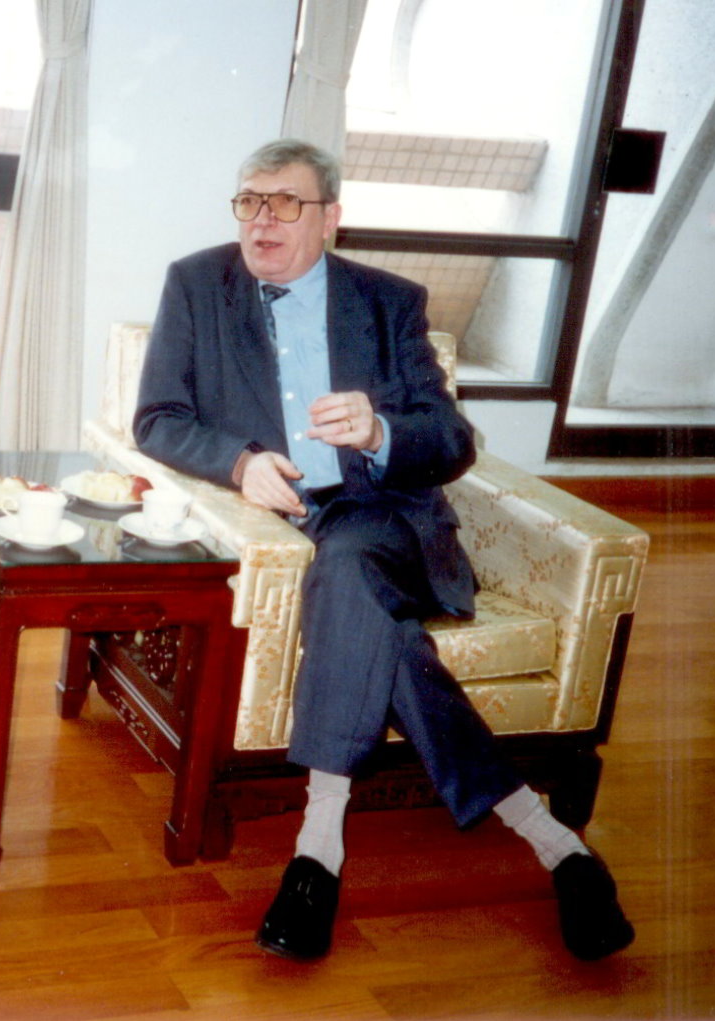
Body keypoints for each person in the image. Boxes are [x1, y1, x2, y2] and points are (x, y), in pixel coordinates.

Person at [133, 138, 634, 964]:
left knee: (346, 568)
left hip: (379, 516)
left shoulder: (388, 301)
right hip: (280, 526)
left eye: (285, 203)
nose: (262, 220)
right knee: (373, 624)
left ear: (330, 217)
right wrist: (239, 460)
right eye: (250, 201)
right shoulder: (196, 284)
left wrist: (378, 431)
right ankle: (554, 843)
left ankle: (316, 849)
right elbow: (156, 418)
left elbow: (451, 439)